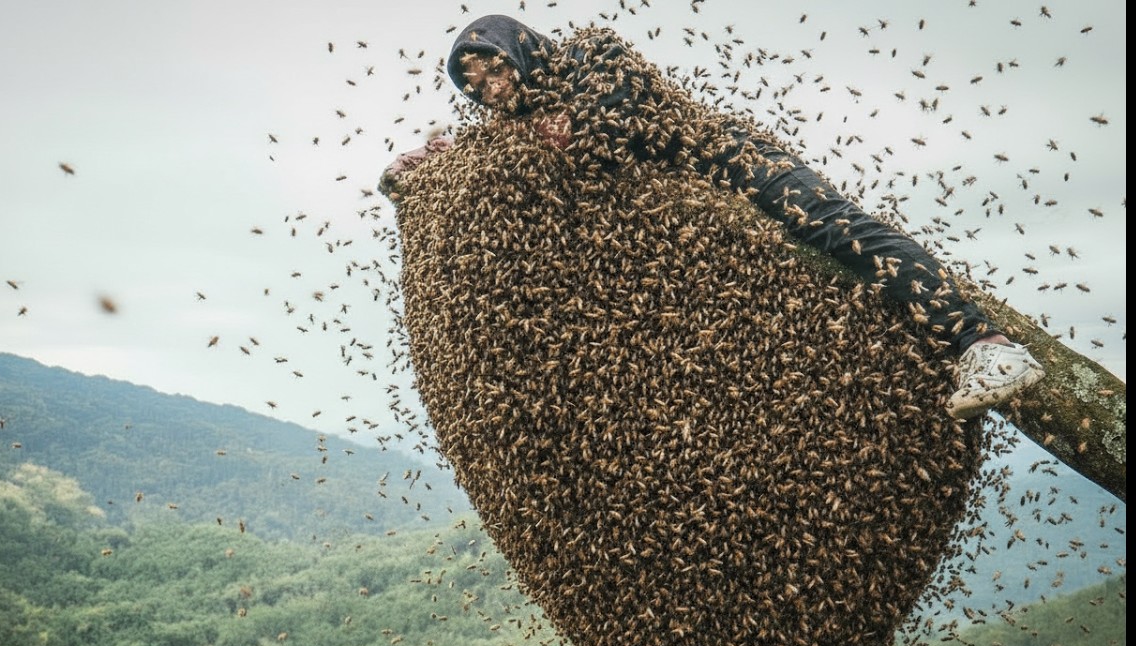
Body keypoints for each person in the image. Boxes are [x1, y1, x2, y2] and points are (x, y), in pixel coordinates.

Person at [383, 14, 1044, 420]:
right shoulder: (520, 127)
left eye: (491, 68)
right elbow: (486, 160)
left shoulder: (594, 55)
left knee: (836, 226)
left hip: (735, 166)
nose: (490, 88)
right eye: (473, 86)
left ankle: (984, 345)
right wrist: (424, 163)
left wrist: (541, 135)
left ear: (519, 48)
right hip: (696, 221)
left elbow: (606, 141)